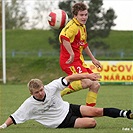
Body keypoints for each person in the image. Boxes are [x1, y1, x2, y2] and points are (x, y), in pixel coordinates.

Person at [0, 73, 133, 129]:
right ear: (31, 93)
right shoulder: (29, 104)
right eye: (36, 92)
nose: (40, 93)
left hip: (68, 108)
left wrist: (88, 75)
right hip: (61, 122)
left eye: (41, 90)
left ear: (43, 87)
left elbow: (70, 78)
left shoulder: (51, 87)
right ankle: (81, 119)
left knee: (97, 111)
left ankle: (127, 114)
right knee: (92, 122)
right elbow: (14, 117)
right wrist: (3, 126)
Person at [59, 2, 102, 106]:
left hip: (79, 62)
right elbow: (64, 38)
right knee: (87, 82)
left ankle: (88, 113)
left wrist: (93, 59)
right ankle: (57, 94)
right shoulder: (72, 26)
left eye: (85, 15)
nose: (84, 17)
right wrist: (71, 54)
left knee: (95, 84)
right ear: (75, 16)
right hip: (69, 61)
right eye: (81, 15)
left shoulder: (82, 26)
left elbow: (84, 44)